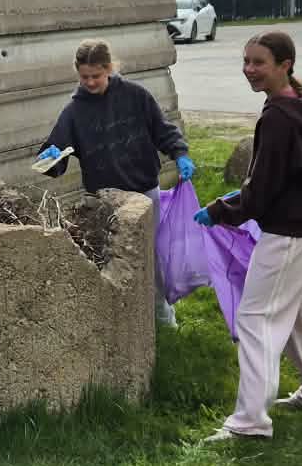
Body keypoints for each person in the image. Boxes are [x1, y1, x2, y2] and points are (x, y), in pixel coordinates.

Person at [194, 29, 302, 441]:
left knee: (255, 318)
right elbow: (283, 178)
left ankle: (250, 421)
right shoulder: (297, 104)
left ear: (285, 65)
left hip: (288, 232)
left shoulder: (280, 117)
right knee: (296, 312)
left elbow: (261, 191)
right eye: (246, 61)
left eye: (259, 63)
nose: (249, 70)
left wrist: (220, 210)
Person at [34, 38, 196, 326]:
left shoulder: (136, 96)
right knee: (111, 258)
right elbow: (57, 151)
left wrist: (180, 153)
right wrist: (50, 158)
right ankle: (121, 320)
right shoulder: (74, 112)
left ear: (109, 68)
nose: (90, 82)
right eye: (84, 77)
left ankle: (162, 315)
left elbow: (163, 131)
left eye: (96, 76)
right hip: (105, 200)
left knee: (151, 255)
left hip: (144, 192)